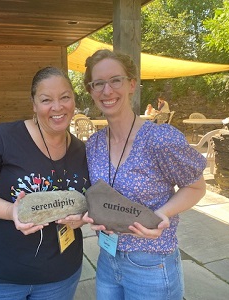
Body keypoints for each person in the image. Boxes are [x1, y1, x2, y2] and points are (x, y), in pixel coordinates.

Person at [0, 66, 91, 300]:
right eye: (46, 99)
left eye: (65, 97)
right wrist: (12, 210)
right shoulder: (3, 139)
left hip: (60, 277)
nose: (57, 107)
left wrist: (83, 215)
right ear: (34, 104)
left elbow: (89, 199)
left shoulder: (83, 151)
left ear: (74, 100)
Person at [82, 49, 207, 300]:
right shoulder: (93, 144)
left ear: (131, 84)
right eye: (99, 83)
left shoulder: (159, 139)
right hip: (108, 259)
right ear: (91, 90)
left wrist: (162, 214)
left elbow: (196, 187)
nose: (107, 91)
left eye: (115, 80)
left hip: (151, 262)